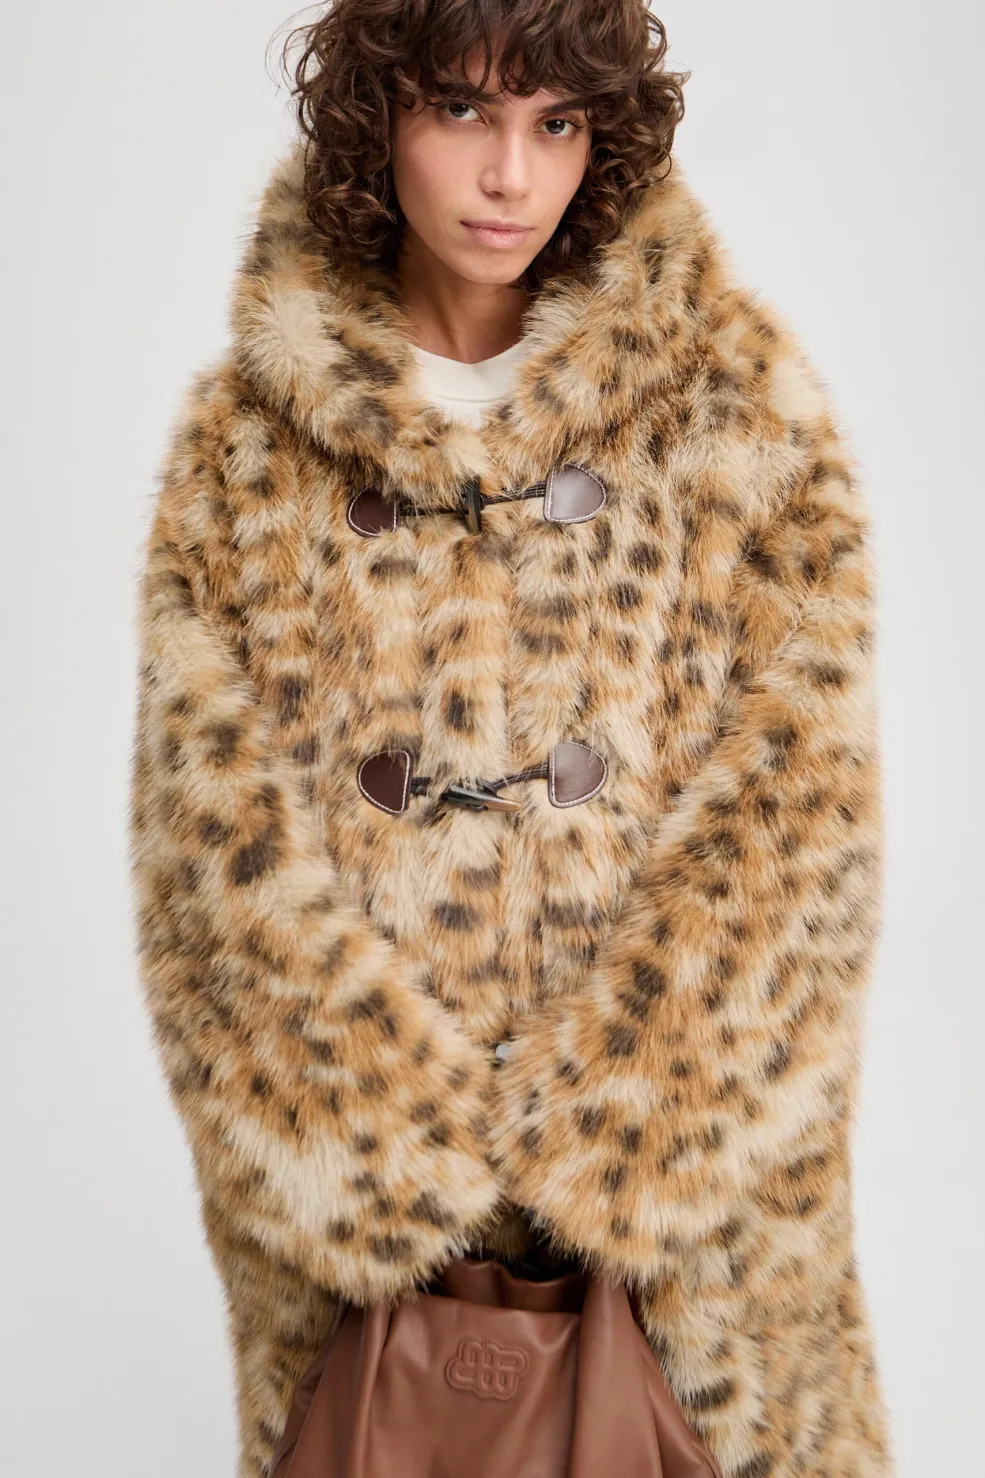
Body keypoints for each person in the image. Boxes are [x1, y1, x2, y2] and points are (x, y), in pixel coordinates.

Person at [128, 2, 894, 1475]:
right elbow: (202, 844)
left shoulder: (737, 410)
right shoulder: (246, 447)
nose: (510, 176)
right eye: (463, 111)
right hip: (377, 1224)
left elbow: (811, 803)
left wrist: (631, 1119)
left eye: (557, 124)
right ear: (379, 121)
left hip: (685, 1195)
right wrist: (376, 1141)